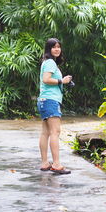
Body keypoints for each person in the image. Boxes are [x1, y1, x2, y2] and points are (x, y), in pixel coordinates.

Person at [37, 38, 72, 174]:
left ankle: (45, 163)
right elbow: (46, 79)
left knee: (45, 132)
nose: (57, 49)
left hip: (44, 100)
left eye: (58, 47)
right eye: (54, 47)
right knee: (55, 132)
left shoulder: (47, 62)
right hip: (51, 100)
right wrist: (61, 81)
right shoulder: (50, 62)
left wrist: (62, 81)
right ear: (48, 49)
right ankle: (57, 164)